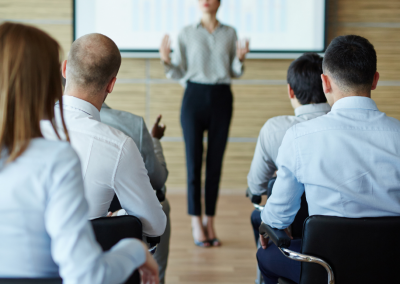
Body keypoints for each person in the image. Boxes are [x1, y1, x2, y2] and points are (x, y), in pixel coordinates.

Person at [0, 22, 159, 284]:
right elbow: (85, 275)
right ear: (111, 84)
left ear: (65, 70)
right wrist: (134, 250)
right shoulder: (56, 159)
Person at [257, 35, 400, 284]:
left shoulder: (300, 137)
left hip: (326, 270)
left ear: (325, 83)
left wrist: (268, 225)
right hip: (392, 266)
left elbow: (277, 218)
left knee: (266, 254)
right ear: (375, 79)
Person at [41, 33, 166, 238]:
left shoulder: (24, 127)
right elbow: (155, 225)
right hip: (85, 264)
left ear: (64, 69)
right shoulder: (119, 146)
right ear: (111, 85)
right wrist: (119, 216)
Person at [159, 0, 249, 247]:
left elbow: (234, 71)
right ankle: (195, 220)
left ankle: (210, 219)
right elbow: (180, 73)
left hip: (222, 96)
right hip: (194, 97)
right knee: (193, 160)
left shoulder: (230, 32)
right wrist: (166, 61)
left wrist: (240, 59)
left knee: (215, 162)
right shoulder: (187, 33)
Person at [247, 53, 331, 245]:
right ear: (328, 85)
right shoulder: (348, 128)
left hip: (292, 238)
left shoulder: (275, 129)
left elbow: (257, 187)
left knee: (257, 217)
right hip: (348, 238)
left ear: (290, 91)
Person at [100, 104, 171, 284]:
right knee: (161, 205)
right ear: (110, 84)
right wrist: (155, 141)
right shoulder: (133, 126)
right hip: (122, 231)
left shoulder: (46, 124)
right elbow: (157, 178)